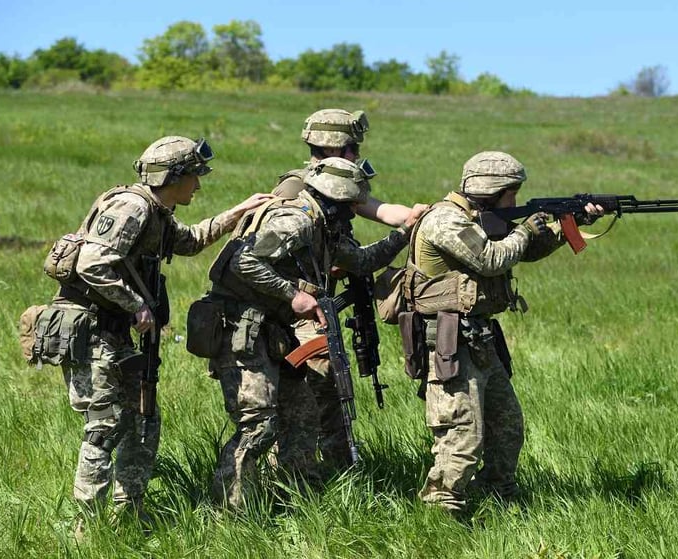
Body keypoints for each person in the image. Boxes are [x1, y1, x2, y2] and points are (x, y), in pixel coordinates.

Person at [46, 136, 269, 526]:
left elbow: (192, 241)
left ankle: (129, 513)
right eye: (194, 177)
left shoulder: (157, 212)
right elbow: (91, 263)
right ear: (174, 177)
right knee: (104, 427)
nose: (198, 186)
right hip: (91, 331)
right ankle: (87, 527)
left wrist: (239, 212)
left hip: (115, 333)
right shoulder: (132, 208)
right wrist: (137, 305)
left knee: (143, 420)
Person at [206, 157, 416, 508]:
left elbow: (361, 261)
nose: (355, 211)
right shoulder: (297, 222)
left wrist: (404, 234)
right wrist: (293, 294)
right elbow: (243, 261)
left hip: (271, 330)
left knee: (303, 414)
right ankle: (232, 512)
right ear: (335, 199)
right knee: (258, 426)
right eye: (351, 204)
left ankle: (298, 499)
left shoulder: (322, 225)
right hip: (240, 329)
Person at [402, 151, 603, 514]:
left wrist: (567, 226)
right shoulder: (445, 220)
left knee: (507, 426)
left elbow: (524, 251)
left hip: (480, 340)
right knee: (462, 438)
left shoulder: (482, 218)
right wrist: (525, 229)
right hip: (450, 343)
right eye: (512, 194)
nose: (515, 202)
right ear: (492, 191)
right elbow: (491, 259)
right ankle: (439, 513)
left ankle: (499, 498)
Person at [271, 109, 427, 476]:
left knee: (330, 388)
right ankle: (299, 471)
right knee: (316, 389)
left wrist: (426, 216)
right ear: (333, 147)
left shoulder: (339, 182)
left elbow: (383, 211)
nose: (357, 154)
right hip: (295, 308)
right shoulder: (298, 189)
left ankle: (330, 468)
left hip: (317, 305)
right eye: (352, 147)